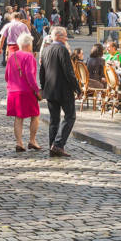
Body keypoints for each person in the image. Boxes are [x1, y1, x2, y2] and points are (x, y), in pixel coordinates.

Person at [39, 27, 80, 157]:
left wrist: (43, 86)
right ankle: (57, 144)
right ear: (59, 36)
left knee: (54, 119)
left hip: (50, 89)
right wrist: (77, 88)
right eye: (65, 36)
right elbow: (69, 72)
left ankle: (53, 146)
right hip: (63, 90)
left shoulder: (45, 50)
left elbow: (42, 72)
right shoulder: (62, 49)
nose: (67, 38)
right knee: (70, 116)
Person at [5, 33, 41, 152]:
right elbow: (30, 75)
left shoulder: (12, 56)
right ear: (28, 44)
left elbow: (6, 76)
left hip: (13, 91)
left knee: (18, 118)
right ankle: (32, 140)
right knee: (35, 115)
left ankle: (19, 142)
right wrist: (37, 90)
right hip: (26, 91)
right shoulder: (29, 56)